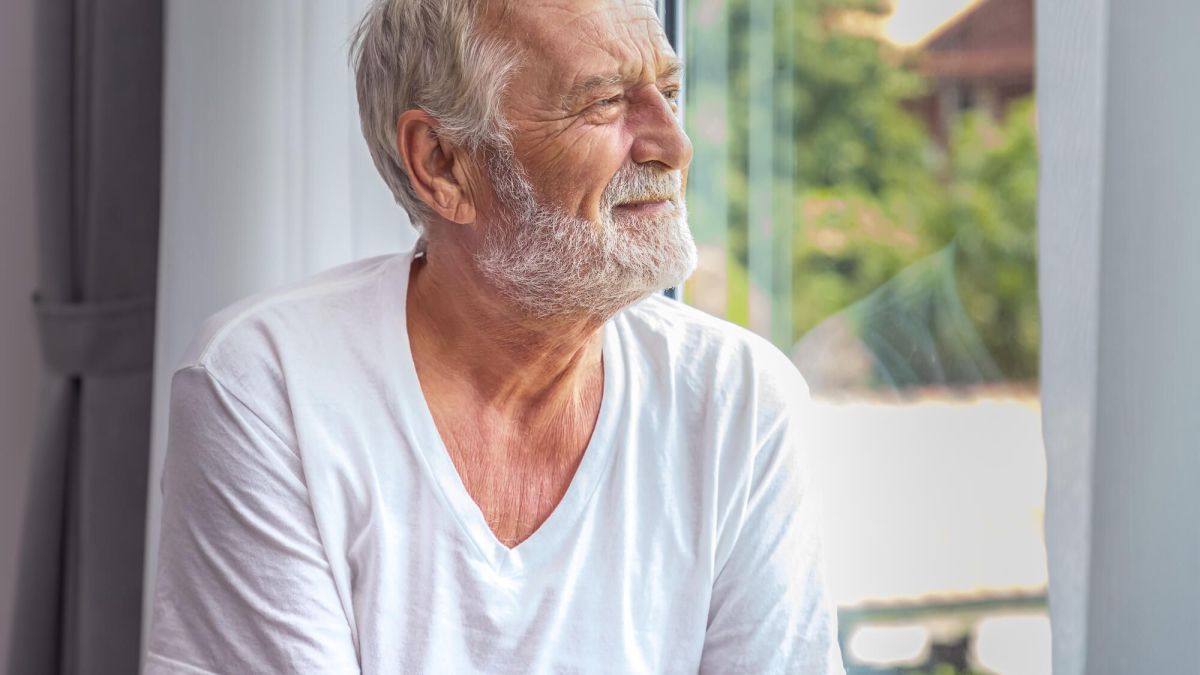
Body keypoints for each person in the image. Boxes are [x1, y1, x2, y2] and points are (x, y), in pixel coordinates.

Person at [143, 0, 844, 672]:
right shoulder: (269, 386)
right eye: (603, 102)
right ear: (443, 163)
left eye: (669, 91)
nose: (674, 144)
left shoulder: (739, 399)